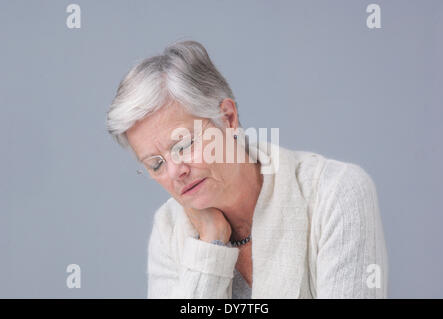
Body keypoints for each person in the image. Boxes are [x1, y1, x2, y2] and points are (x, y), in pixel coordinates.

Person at [106, 40, 388, 298]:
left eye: (184, 145)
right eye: (156, 164)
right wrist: (211, 244)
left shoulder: (335, 193)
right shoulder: (168, 228)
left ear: (228, 119)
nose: (175, 171)